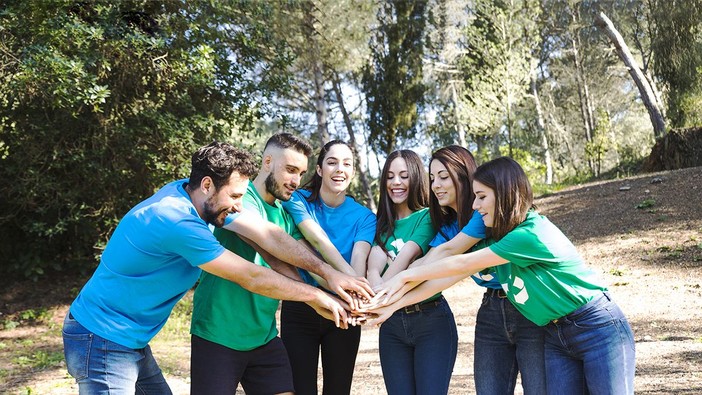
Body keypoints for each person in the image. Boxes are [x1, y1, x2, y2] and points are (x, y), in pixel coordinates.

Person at [62, 141, 369, 394]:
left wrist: (329, 275)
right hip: (101, 338)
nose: (239, 205)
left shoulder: (196, 196)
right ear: (208, 185)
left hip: (132, 341)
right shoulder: (176, 220)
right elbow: (250, 275)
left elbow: (270, 236)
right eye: (235, 196)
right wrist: (316, 297)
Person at [369, 156, 636, 395]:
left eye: (482, 197)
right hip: (555, 330)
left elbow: (458, 262)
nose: (476, 205)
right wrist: (392, 305)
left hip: (595, 324)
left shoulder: (526, 235)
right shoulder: (493, 233)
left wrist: (400, 279)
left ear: (505, 193)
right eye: (432, 178)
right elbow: (445, 274)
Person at [190, 133, 360, 394]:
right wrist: (323, 284)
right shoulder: (237, 198)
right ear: (267, 161)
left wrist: (344, 294)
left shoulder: (284, 213)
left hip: (264, 337)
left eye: (301, 173)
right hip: (218, 333)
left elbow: (301, 263)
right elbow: (270, 245)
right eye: (290, 170)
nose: (295, 181)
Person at [393, 145, 547, 394]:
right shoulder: (447, 225)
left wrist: (391, 291)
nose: (436, 185)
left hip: (526, 304)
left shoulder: (481, 213)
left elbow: (450, 255)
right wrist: (386, 296)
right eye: (432, 178)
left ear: (464, 176)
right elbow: (431, 266)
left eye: (444, 177)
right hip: (491, 311)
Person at [280, 139, 377, 395]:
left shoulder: (365, 217)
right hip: (301, 304)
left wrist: (354, 292)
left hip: (343, 310)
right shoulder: (296, 200)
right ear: (320, 169)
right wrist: (346, 284)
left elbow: (357, 262)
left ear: (353, 171)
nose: (339, 169)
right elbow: (316, 242)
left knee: (339, 389)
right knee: (300, 389)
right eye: (332, 162)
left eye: (347, 164)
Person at [366, 149, 455, 395]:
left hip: (430, 322)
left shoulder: (427, 216)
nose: (396, 183)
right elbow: (373, 267)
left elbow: (404, 260)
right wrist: (376, 293)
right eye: (390, 176)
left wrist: (377, 299)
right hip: (392, 327)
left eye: (404, 176)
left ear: (416, 177)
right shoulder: (382, 224)